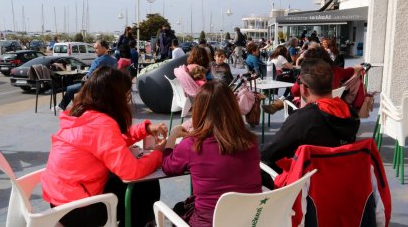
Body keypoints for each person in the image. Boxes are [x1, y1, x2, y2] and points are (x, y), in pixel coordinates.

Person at [42, 66, 168, 226]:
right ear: (115, 97)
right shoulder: (102, 124)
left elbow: (110, 142)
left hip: (59, 202)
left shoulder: (80, 114)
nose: (128, 101)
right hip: (79, 210)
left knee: (132, 182)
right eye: (126, 95)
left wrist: (144, 129)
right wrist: (158, 154)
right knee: (146, 186)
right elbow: (132, 172)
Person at [162, 81, 262, 226]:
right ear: (233, 107)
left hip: (208, 222)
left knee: (178, 210)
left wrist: (172, 137)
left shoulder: (192, 145)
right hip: (250, 220)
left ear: (199, 110)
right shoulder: (251, 141)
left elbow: (168, 167)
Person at [260, 59, 360, 174]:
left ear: (303, 88)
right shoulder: (351, 114)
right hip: (337, 177)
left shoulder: (303, 119)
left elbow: (268, 153)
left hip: (305, 183)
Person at [53, 40, 117, 111]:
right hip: (108, 86)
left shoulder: (98, 61)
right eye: (94, 48)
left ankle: (62, 106)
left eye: (96, 48)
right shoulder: (114, 60)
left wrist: (85, 76)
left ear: (104, 48)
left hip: (94, 86)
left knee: (70, 88)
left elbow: (89, 76)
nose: (94, 50)